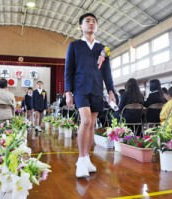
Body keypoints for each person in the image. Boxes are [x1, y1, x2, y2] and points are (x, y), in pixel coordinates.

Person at [65, 13, 115, 177]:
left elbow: (107, 72)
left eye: (94, 21)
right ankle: (80, 159)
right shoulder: (75, 45)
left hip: (96, 90)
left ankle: (86, 157)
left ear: (97, 26)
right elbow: (69, 69)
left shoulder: (102, 49)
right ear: (81, 26)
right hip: (80, 88)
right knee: (85, 121)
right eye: (87, 21)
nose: (91, 24)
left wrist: (110, 90)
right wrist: (68, 91)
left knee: (92, 123)